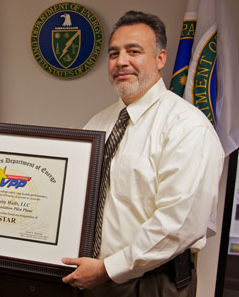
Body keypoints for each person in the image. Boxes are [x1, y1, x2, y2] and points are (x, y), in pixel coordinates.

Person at [61, 10, 224, 297]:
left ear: (160, 59)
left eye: (133, 51)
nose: (121, 61)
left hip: (153, 283)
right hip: (90, 277)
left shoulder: (187, 128)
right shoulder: (98, 123)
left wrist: (108, 269)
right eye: (114, 53)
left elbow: (177, 224)